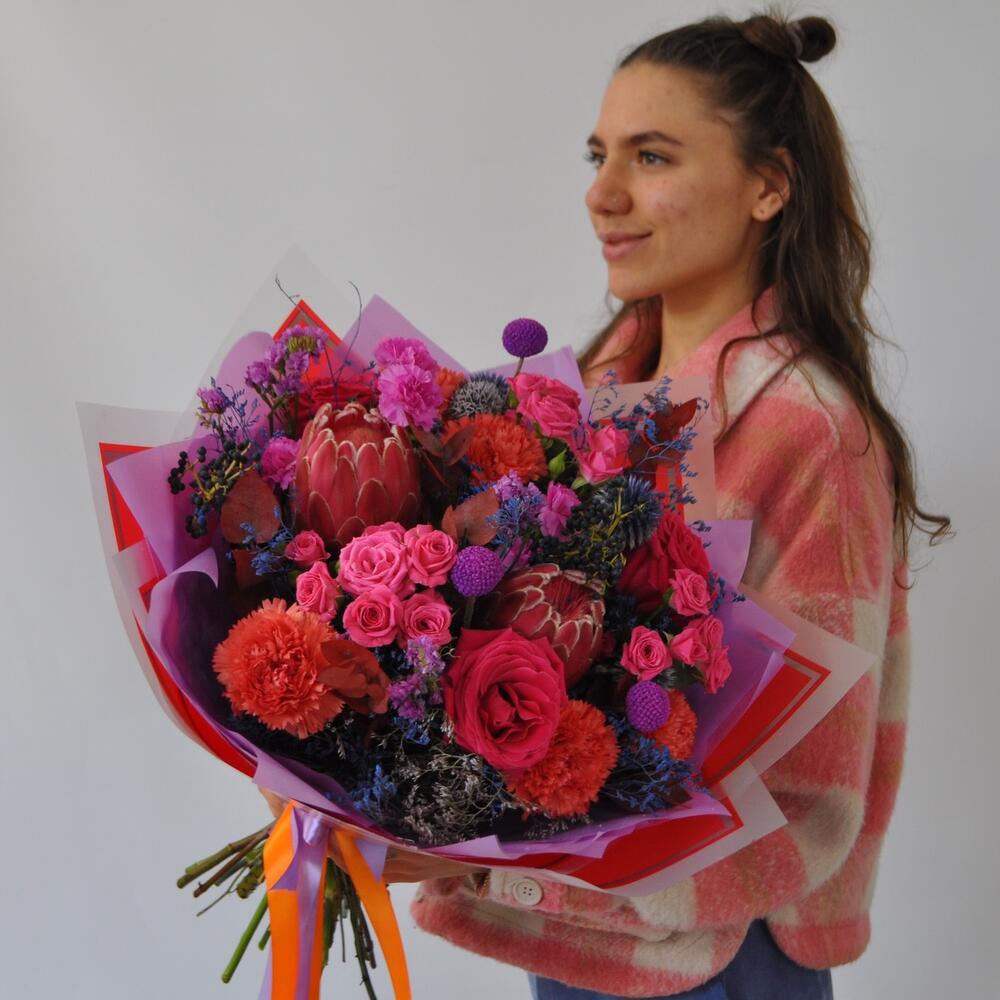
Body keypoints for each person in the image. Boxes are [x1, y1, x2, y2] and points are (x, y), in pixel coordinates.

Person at [265, 8, 951, 997]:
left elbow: (807, 808)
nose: (603, 193)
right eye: (599, 155)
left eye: (652, 156)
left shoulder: (812, 433)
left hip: (715, 958)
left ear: (769, 185)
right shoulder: (588, 398)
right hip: (582, 953)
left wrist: (489, 860)